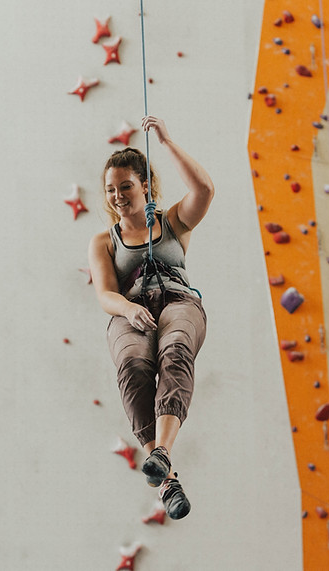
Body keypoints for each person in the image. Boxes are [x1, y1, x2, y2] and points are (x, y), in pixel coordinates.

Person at [88, 116, 214, 520]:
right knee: (133, 365)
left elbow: (204, 189)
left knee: (175, 349)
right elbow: (106, 293)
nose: (118, 196)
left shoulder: (172, 221)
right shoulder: (104, 240)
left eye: (126, 186)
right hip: (133, 311)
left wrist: (166, 140)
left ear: (144, 184)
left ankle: (162, 452)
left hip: (178, 301)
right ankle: (167, 479)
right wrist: (128, 308)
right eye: (111, 190)